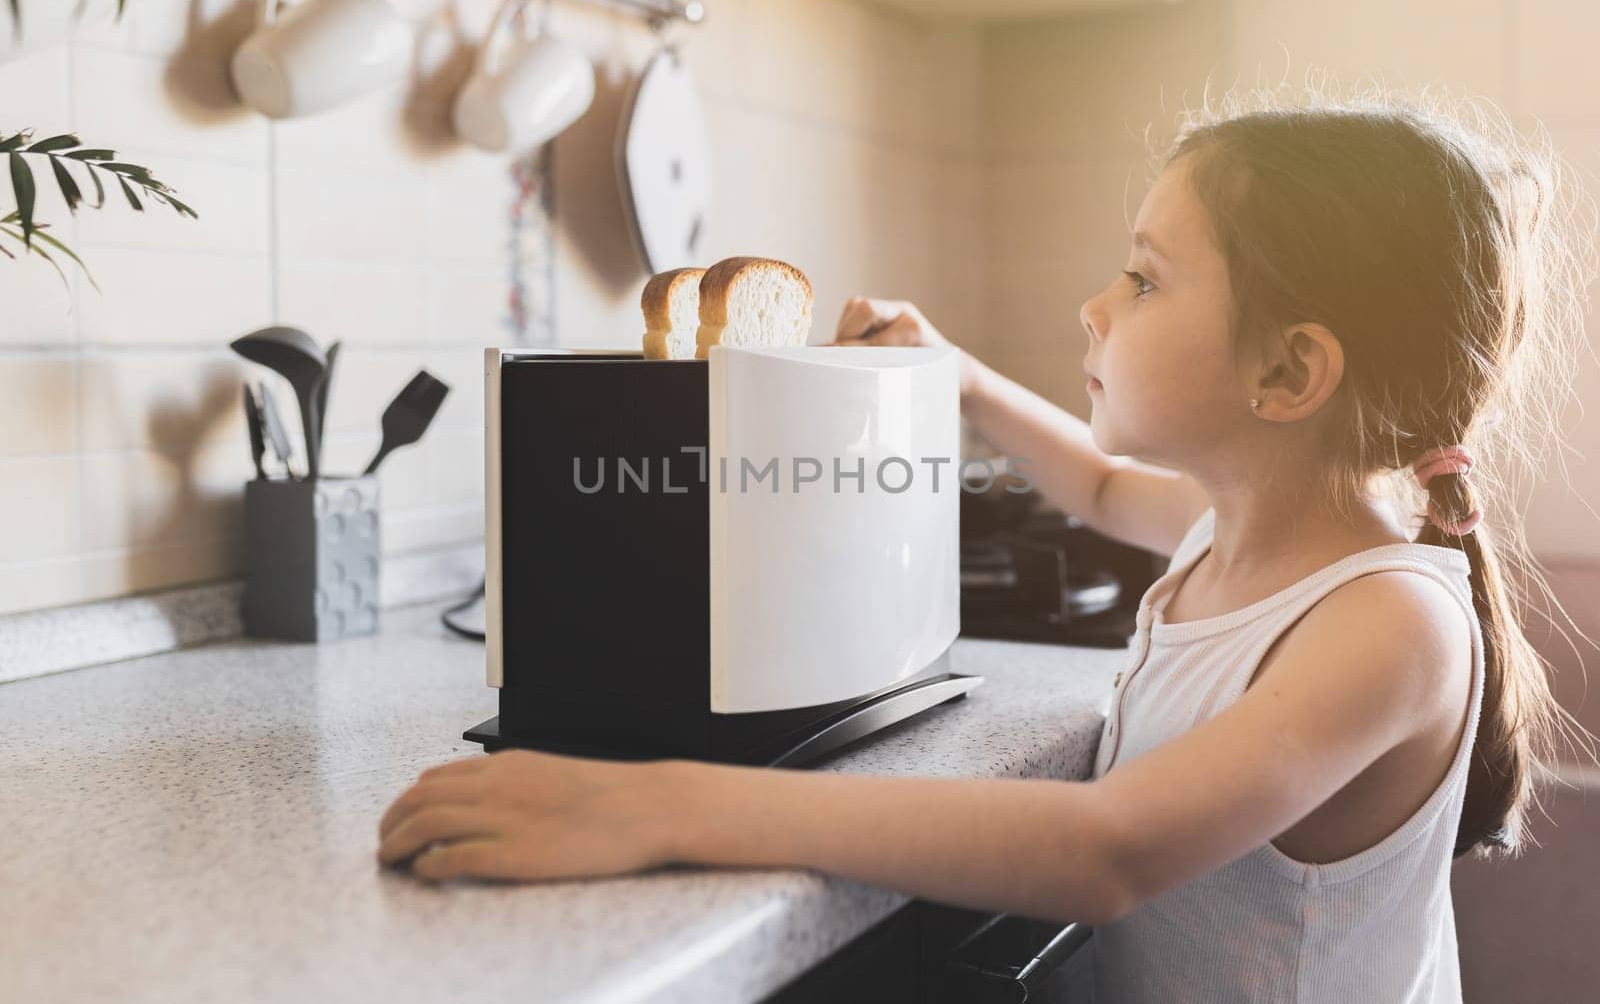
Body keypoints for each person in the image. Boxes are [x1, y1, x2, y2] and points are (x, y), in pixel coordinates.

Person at [376, 90, 1594, 1001]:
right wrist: (956, 373)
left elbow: (1106, 850)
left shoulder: (1391, 625)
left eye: (1143, 278)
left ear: (1288, 369)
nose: (1094, 304)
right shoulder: (1249, 533)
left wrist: (658, 804)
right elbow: (1103, 483)